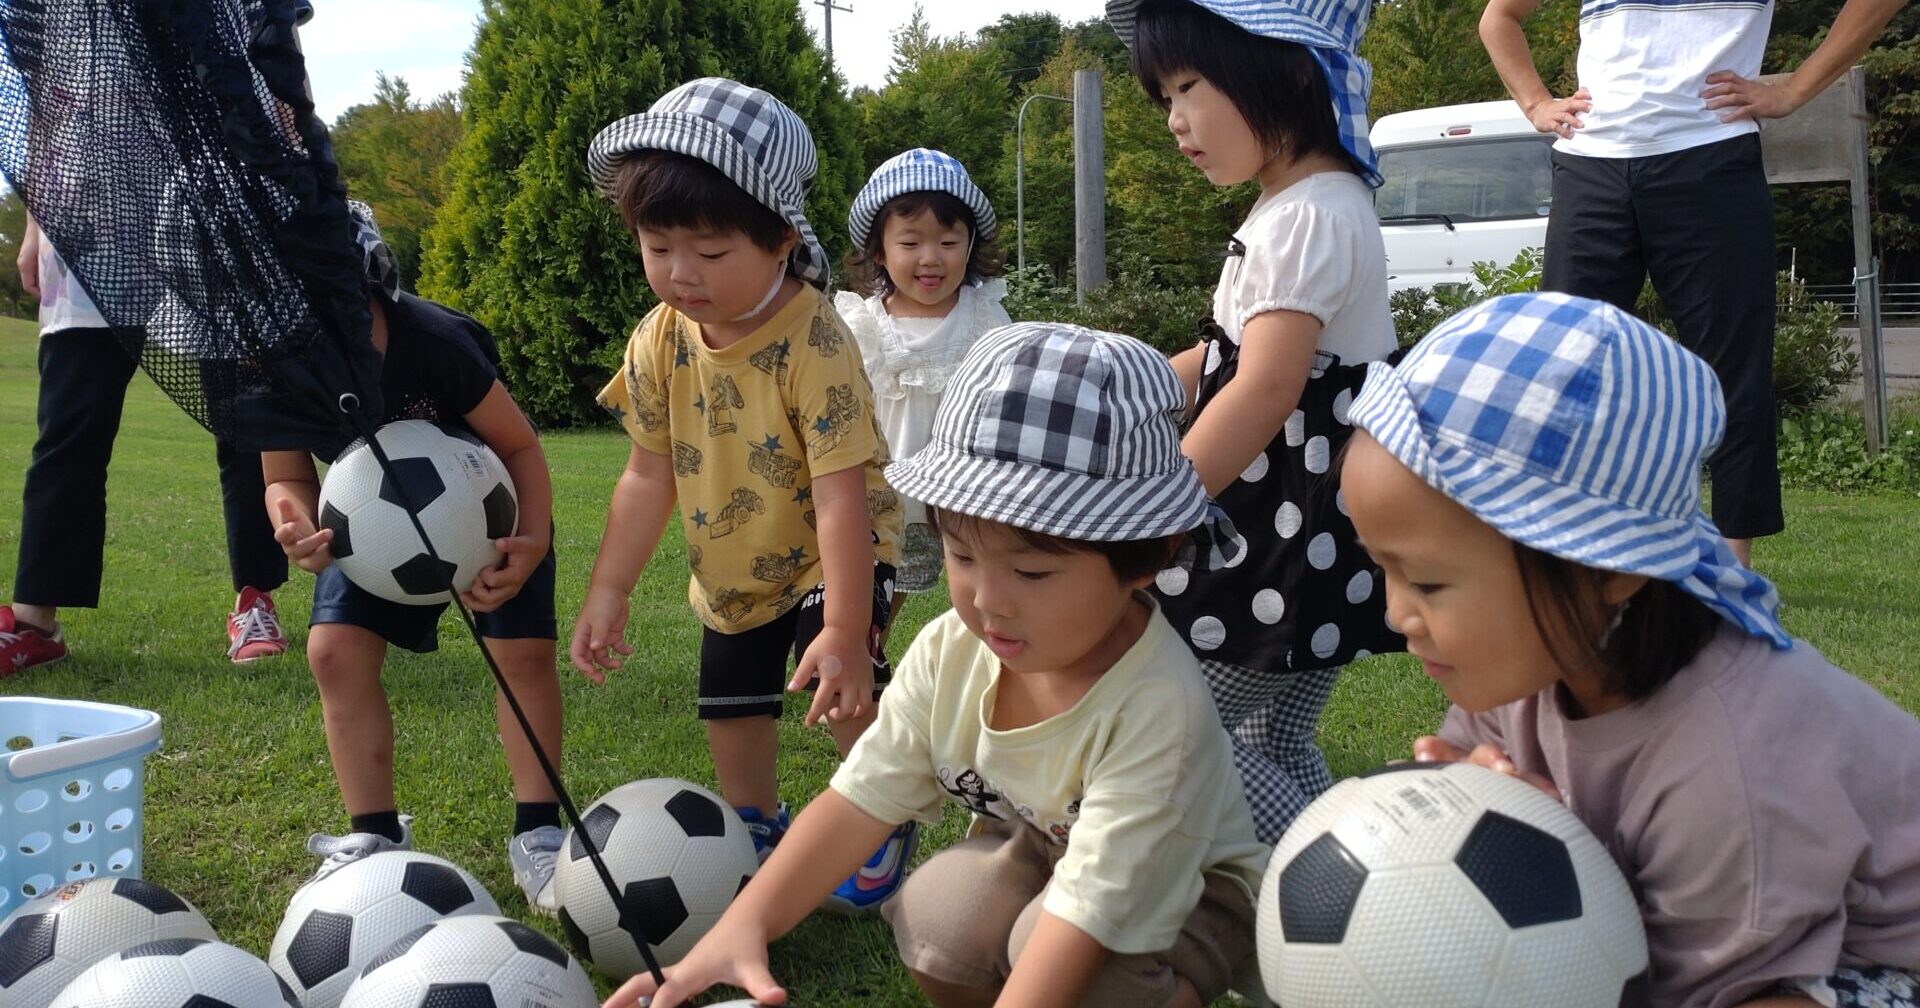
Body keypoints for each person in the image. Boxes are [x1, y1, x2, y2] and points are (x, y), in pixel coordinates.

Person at [604, 322, 1269, 1008]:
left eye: (1033, 573)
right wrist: (743, 926)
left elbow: (1090, 913)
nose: (988, 601)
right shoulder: (951, 650)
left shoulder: (1159, 708)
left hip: (1187, 893)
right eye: (962, 555)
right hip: (1043, 848)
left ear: (1150, 555)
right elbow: (859, 800)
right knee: (938, 919)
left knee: (1090, 978)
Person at [1341, 292, 1920, 1008]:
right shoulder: (1531, 661)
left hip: (1848, 964)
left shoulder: (1727, 766)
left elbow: (1687, 987)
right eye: (1383, 568)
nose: (1399, 614)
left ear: (1610, 569)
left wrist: (1559, 867)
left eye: (1426, 581)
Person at [571, 78, 912, 915]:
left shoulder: (814, 339)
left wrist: (840, 626)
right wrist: (608, 588)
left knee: (839, 685)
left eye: (712, 253)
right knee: (731, 709)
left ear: (782, 240)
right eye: (659, 247)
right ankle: (754, 826)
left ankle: (877, 810)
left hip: (838, 553)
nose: (682, 274)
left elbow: (841, 499)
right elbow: (646, 474)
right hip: (732, 565)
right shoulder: (658, 338)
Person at [1105, 0, 1403, 842]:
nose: (1174, 120)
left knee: (1178, 732)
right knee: (1275, 735)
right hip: (1317, 545)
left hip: (1270, 546)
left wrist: (1156, 513)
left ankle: (1316, 895)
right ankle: (1354, 882)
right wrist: (1126, 390)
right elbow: (1229, 356)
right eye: (1164, 96)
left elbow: (1266, 389)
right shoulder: (1309, 201)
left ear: (1290, 69)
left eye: (1190, 86)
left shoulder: (1306, 216)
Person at [1478, 0, 1910, 568]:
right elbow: (1498, 17)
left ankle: (1730, 577)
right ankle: (1566, 564)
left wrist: (1795, 89)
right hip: (1591, 165)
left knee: (1731, 375)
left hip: (1709, 158)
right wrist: (1536, 102)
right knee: (1563, 368)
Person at [261, 202, 567, 912]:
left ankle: (540, 831)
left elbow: (520, 445)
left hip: (489, 515)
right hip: (367, 530)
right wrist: (294, 523)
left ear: (375, 284)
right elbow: (284, 477)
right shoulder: (274, 368)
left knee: (522, 656)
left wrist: (534, 540)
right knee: (333, 650)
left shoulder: (434, 341)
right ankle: (372, 833)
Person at [2, 213, 290, 674]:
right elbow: (45, 139)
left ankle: (255, 602)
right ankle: (35, 625)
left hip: (201, 219)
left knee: (243, 422)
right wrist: (36, 226)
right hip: (88, 234)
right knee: (69, 432)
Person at [835, 148, 1011, 641]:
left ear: (970, 245)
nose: (931, 258)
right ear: (879, 250)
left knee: (987, 588)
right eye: (910, 242)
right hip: (881, 493)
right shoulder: (862, 324)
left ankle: (993, 663)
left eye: (949, 241)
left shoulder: (984, 317)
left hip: (966, 494)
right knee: (873, 596)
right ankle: (863, 662)